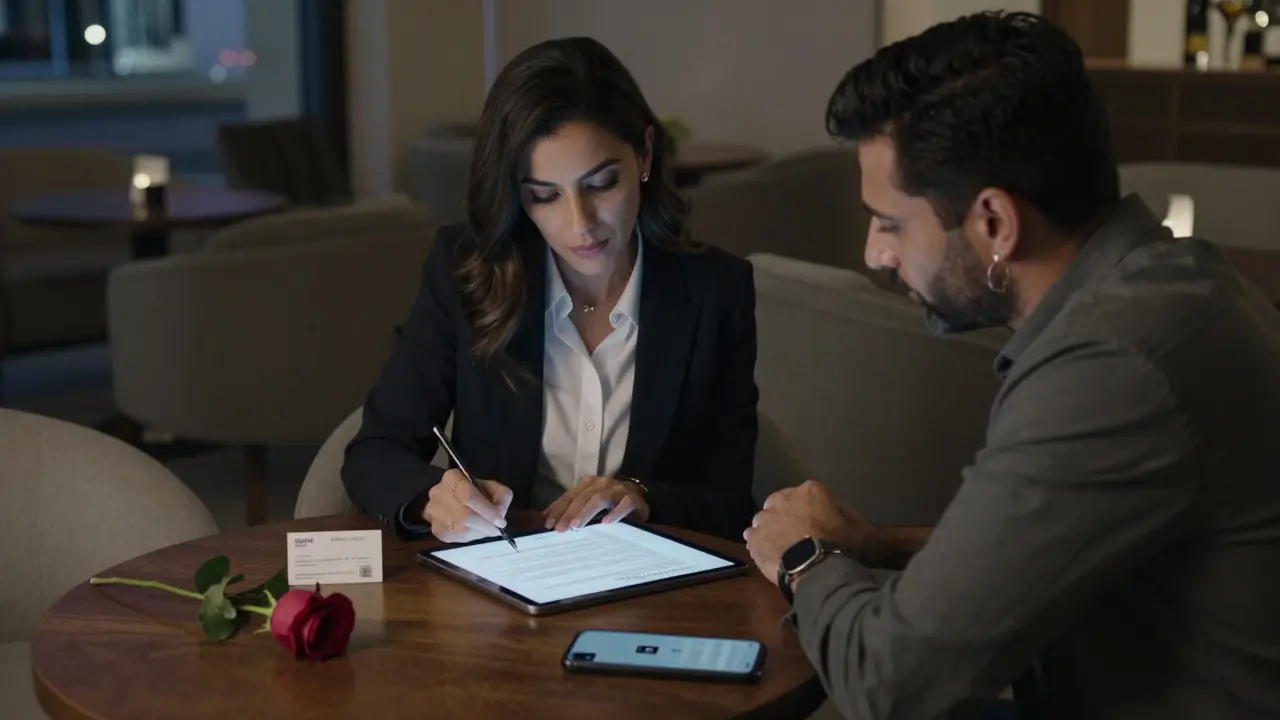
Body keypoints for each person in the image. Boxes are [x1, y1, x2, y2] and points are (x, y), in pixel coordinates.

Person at [745, 12, 1280, 720]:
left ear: (993, 222)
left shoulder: (1113, 365)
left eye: (891, 222)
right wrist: (879, 545)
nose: (875, 253)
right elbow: (1064, 536)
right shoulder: (1175, 284)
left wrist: (804, 557)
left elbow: (892, 682)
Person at [342, 37, 758, 544]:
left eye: (601, 184)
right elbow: (374, 452)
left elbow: (729, 499)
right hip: (502, 583)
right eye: (545, 196)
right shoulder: (468, 271)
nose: (580, 224)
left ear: (645, 154)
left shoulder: (717, 291)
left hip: (650, 587)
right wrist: (434, 497)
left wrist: (643, 496)